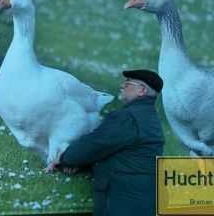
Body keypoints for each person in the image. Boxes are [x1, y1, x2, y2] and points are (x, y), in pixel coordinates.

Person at [51, 69, 165, 216]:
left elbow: (95, 144)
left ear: (142, 91)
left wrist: (64, 158)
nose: (122, 86)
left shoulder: (127, 117)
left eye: (128, 83)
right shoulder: (147, 116)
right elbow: (122, 155)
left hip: (125, 204)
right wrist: (83, 164)